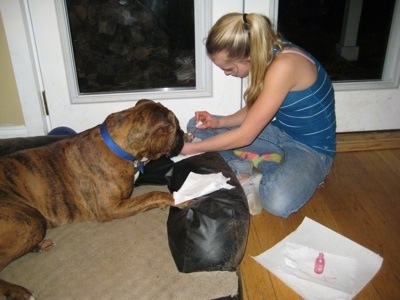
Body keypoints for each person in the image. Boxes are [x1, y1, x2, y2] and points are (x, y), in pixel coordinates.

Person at [180, 12, 336, 218]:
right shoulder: (267, 51)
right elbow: (257, 109)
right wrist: (219, 122)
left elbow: (246, 135)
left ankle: (268, 165)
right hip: (281, 134)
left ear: (248, 56)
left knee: (277, 200)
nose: (226, 73)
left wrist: (190, 149)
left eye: (228, 68)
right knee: (195, 124)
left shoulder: (284, 66)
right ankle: (245, 174)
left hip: (312, 150)